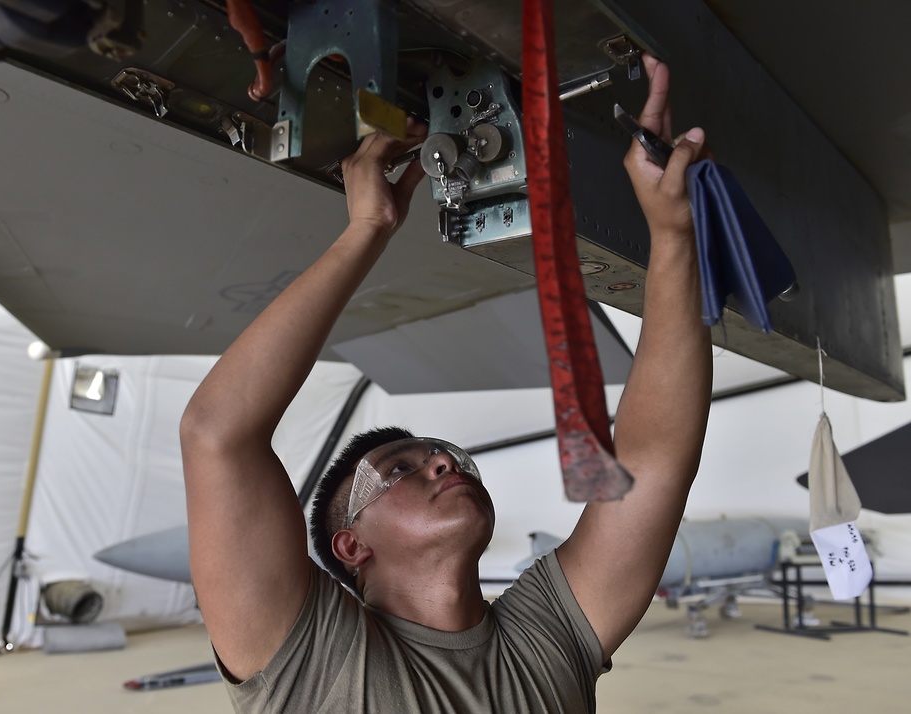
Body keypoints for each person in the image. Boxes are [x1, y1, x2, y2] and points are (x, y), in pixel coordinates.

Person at [180, 55, 712, 713]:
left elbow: (651, 462)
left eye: (442, 459)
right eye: (400, 469)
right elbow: (216, 436)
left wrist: (673, 235)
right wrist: (365, 231)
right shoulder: (309, 662)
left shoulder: (547, 637)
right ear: (351, 547)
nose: (442, 460)